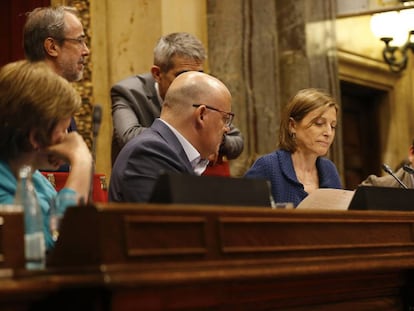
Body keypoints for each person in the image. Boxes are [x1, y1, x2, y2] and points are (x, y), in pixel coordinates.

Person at [110, 32, 243, 175]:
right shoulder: (128, 92)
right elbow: (129, 136)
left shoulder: (203, 92)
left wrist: (211, 138)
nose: (193, 84)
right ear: (157, 74)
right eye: (182, 75)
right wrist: (194, 137)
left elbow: (236, 141)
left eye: (199, 75)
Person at [0, 60, 92, 250]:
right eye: (63, 130)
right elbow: (56, 247)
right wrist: (82, 162)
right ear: (35, 138)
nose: (71, 139)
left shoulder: (36, 180)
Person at [109, 71, 233, 202]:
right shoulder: (149, 153)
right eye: (225, 119)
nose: (227, 128)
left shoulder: (168, 152)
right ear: (201, 115)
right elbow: (177, 221)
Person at [244, 88, 342, 207]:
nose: (328, 133)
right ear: (292, 126)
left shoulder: (329, 170)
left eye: (333, 126)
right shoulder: (268, 167)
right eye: (319, 123)